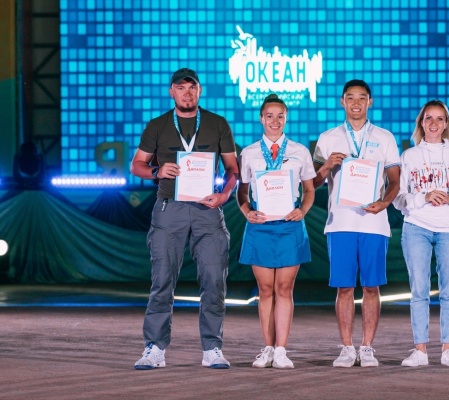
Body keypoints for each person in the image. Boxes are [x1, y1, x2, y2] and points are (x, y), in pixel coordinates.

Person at [130, 68, 239, 370]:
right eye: (181, 88)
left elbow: (233, 169)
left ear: (199, 91)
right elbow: (136, 165)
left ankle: (212, 348)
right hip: (170, 209)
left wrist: (224, 195)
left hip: (207, 209)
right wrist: (156, 171)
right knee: (162, 280)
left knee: (214, 281)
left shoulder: (217, 123)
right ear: (172, 92)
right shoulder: (158, 125)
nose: (187, 93)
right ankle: (154, 348)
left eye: (192, 87)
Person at [313, 80, 400, 368]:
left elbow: (395, 180)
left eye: (362, 98)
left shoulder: (385, 137)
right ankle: (347, 348)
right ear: (342, 101)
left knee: (372, 287)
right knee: (344, 288)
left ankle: (367, 347)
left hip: (374, 223)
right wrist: (327, 166)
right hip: (340, 222)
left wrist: (384, 203)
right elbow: (312, 183)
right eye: (350, 98)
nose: (356, 103)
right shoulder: (328, 138)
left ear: (370, 102)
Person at [393, 100, 449, 368]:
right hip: (417, 227)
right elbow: (397, 197)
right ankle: (420, 350)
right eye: (428, 118)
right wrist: (424, 197)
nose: (433, 123)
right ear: (421, 122)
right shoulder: (409, 156)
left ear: (446, 124)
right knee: (419, 290)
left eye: (439, 119)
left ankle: (447, 350)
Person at [237, 94, 316, 369]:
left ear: (286, 118)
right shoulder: (249, 153)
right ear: (261, 118)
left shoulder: (299, 151)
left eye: (280, 116)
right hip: (260, 226)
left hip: (289, 225)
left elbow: (309, 190)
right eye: (269, 116)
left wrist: (302, 210)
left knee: (284, 288)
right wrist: (247, 212)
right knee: (265, 289)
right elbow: (242, 192)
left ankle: (281, 350)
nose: (275, 121)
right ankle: (267, 348)